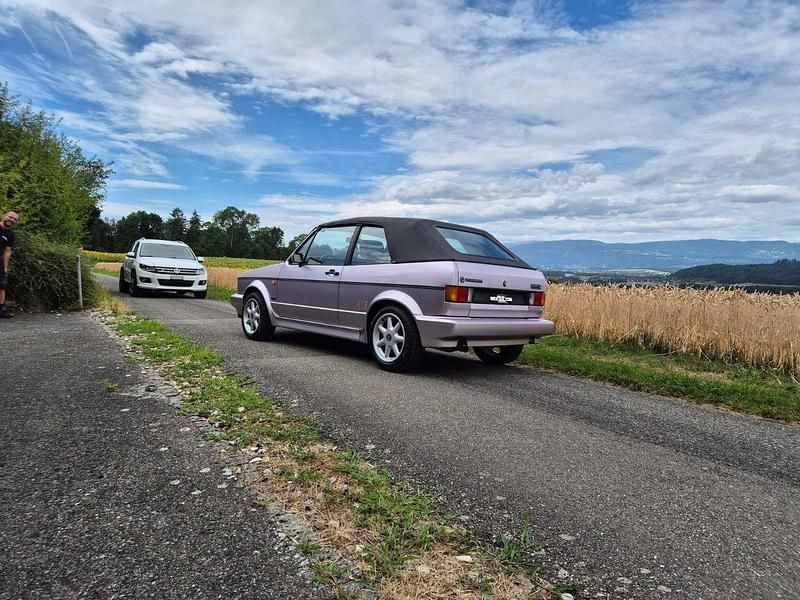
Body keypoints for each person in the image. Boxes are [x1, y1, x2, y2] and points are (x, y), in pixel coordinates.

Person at [0, 211, 19, 318]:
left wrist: (5, 267)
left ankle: (1, 310)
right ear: (4, 216)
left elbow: (7, 251)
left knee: (1, 285)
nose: (12, 220)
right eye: (10, 217)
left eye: (15, 219)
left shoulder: (10, 235)